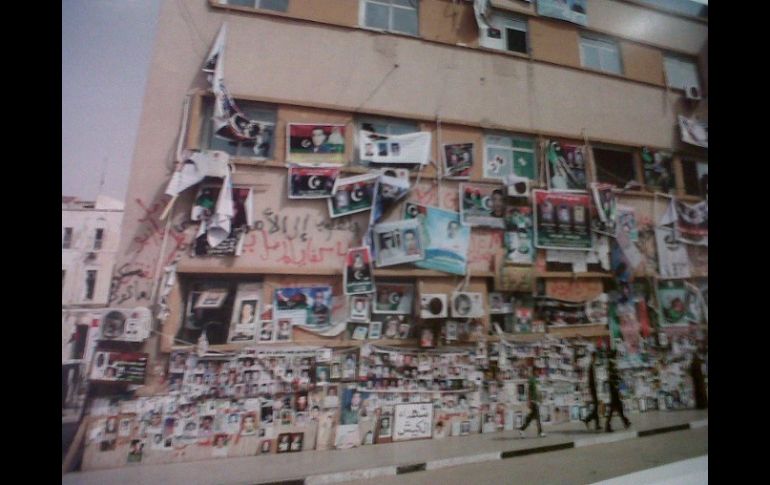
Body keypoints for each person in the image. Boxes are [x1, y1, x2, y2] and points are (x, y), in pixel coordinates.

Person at [605, 350, 631, 432]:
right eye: (616, 355)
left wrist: (620, 383)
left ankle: (625, 422)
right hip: (614, 389)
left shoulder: (611, 363)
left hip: (614, 388)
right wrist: (619, 387)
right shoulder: (612, 363)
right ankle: (607, 426)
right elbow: (614, 378)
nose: (617, 356)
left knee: (618, 406)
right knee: (613, 407)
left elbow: (615, 377)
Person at [519, 363, 546, 438]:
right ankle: (540, 432)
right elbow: (528, 391)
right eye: (537, 371)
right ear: (534, 371)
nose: (538, 372)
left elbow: (539, 391)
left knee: (531, 417)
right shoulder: (531, 380)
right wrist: (528, 401)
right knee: (537, 416)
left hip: (537, 400)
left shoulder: (537, 381)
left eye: (538, 371)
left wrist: (541, 399)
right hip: (533, 401)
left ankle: (522, 429)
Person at [582, 352, 601, 431]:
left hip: (594, 388)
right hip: (593, 389)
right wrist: (592, 388)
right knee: (596, 406)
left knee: (596, 406)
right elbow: (590, 379)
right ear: (593, 357)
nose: (595, 359)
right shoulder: (591, 366)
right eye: (595, 357)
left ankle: (597, 424)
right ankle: (587, 419)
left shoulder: (592, 366)